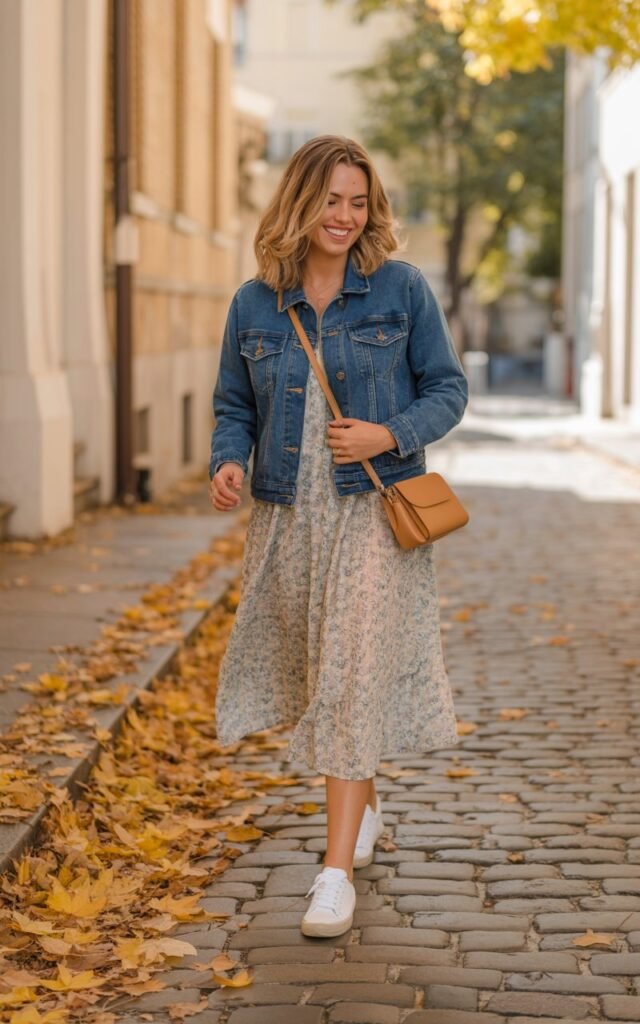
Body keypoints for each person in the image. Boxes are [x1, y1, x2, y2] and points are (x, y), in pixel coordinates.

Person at [208, 135, 468, 938]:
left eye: (358, 202)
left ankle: (333, 875)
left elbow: (448, 389)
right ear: (300, 203)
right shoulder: (255, 303)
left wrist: (388, 434)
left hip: (373, 515)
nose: (345, 217)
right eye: (331, 201)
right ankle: (364, 802)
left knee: (350, 673)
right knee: (322, 674)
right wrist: (227, 461)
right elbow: (234, 404)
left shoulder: (401, 289)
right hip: (290, 516)